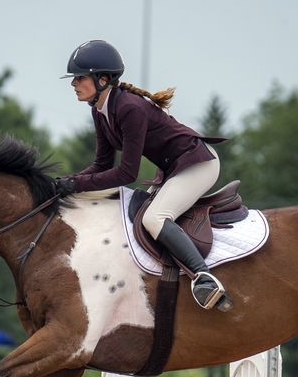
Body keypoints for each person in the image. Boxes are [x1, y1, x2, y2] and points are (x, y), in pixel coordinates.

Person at [55, 39, 231, 311]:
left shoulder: (129, 108)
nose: (73, 84)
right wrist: (68, 183)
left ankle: (203, 277)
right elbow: (102, 164)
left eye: (79, 78)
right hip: (173, 168)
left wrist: (76, 184)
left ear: (102, 80)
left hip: (199, 164)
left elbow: (127, 173)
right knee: (133, 218)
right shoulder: (100, 110)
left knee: (154, 218)